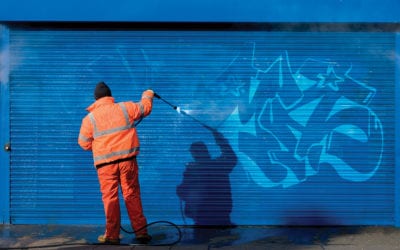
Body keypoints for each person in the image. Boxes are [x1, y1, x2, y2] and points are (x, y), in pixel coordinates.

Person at [78, 81, 154, 244]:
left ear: (96, 99)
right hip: (128, 161)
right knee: (131, 194)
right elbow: (145, 108)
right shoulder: (125, 108)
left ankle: (112, 236)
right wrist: (148, 94)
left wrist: (101, 147)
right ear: (110, 96)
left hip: (105, 165)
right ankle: (141, 233)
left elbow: (83, 143)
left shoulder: (89, 119)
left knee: (110, 198)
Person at [177, 126, 237, 226]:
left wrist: (180, 190)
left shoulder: (193, 169)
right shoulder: (219, 165)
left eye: (195, 152)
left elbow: (183, 191)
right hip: (220, 215)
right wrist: (221, 140)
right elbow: (231, 157)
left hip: (202, 217)